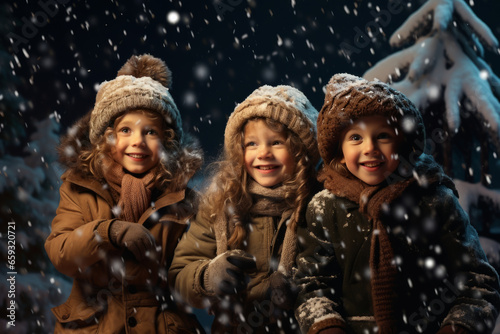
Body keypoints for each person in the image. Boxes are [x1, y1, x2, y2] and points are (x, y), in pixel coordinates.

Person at [294, 73, 500, 334]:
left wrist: (457, 326)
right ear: (340, 151)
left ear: (403, 145)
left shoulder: (434, 201)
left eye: (382, 136)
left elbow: (477, 280)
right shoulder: (325, 208)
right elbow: (310, 282)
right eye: (355, 138)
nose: (370, 148)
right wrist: (326, 327)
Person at [45, 54, 205, 333]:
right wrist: (108, 232)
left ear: (166, 142)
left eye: (150, 132)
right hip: (96, 323)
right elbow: (62, 253)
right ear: (107, 138)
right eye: (125, 130)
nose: (137, 142)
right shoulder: (80, 188)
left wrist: (206, 277)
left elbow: (190, 267)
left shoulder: (183, 199)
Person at [168, 85, 321, 333]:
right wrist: (208, 277)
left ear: (301, 150)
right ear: (239, 151)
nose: (263, 153)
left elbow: (331, 272)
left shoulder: (316, 205)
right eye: (252, 144)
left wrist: (296, 289)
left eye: (277, 142)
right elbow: (180, 273)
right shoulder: (221, 205)